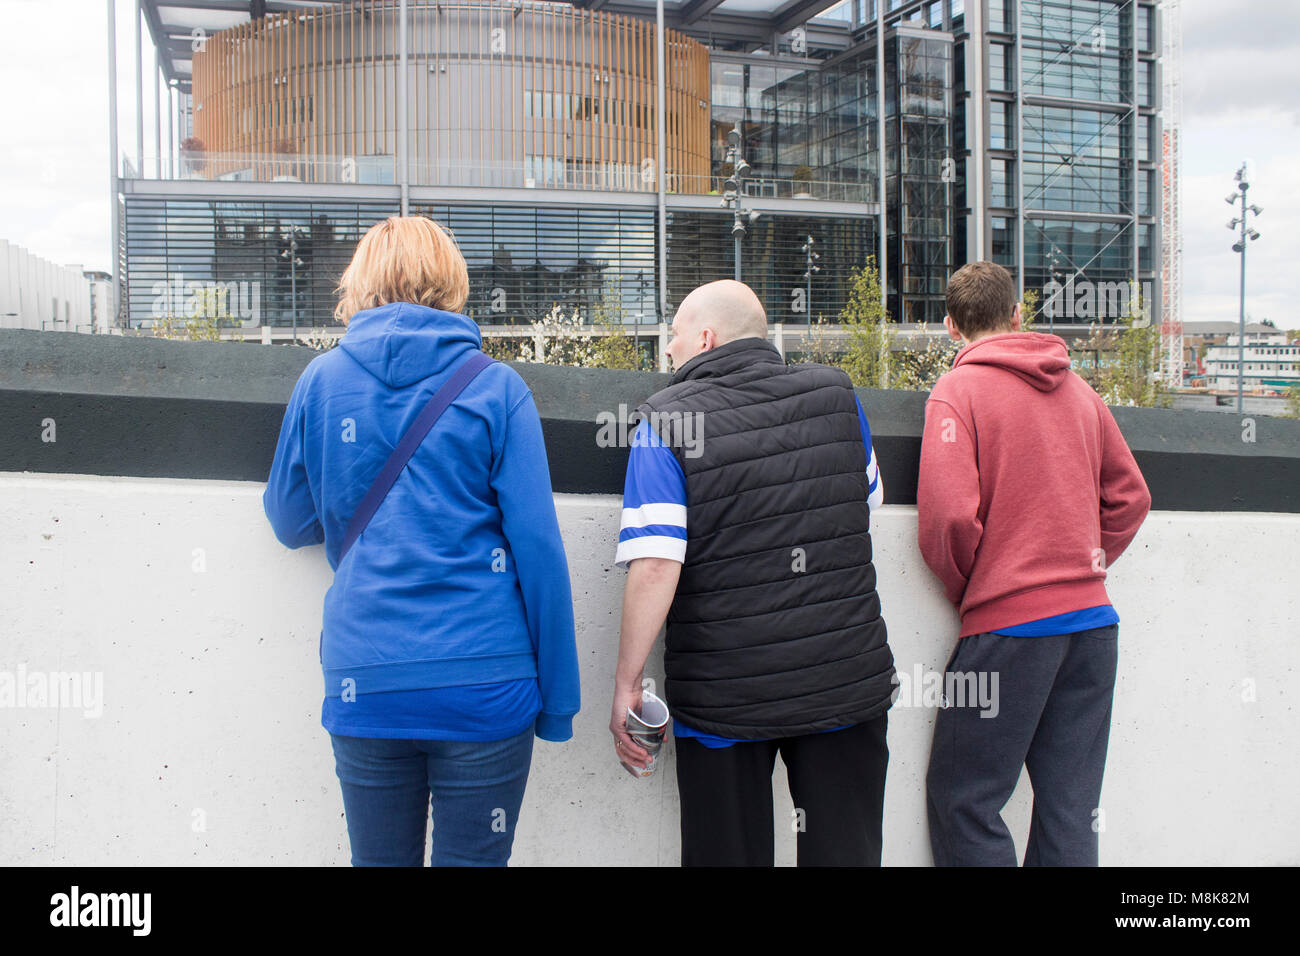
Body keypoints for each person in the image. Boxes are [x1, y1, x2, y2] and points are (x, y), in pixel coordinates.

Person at [263, 216, 580, 866]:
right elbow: (540, 553)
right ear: (452, 284)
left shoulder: (320, 384)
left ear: (361, 283)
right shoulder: (496, 389)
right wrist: (559, 702)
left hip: (368, 680)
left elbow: (289, 519)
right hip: (484, 684)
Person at [608, 279, 896, 867]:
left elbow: (658, 563)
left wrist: (626, 684)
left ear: (706, 339)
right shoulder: (837, 393)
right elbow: (867, 500)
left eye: (674, 334)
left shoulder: (665, 421)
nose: (667, 349)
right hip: (843, 683)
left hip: (724, 698)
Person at [917, 260, 1151, 866]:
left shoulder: (957, 392)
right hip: (1093, 625)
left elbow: (947, 519)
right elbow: (1131, 496)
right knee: (1070, 809)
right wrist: (1082, 561)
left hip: (1010, 631)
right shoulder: (1081, 393)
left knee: (964, 798)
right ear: (1018, 316)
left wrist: (979, 586)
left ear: (950, 328)